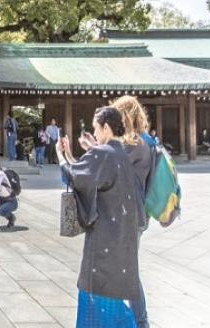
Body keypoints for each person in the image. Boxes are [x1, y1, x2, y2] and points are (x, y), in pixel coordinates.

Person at [57, 107, 143, 327]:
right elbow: (91, 173)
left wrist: (60, 155)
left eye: (96, 128)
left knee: (97, 303)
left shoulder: (103, 154)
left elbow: (76, 176)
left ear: (106, 127)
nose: (94, 134)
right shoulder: (121, 153)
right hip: (121, 240)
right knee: (114, 304)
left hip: (103, 243)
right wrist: (82, 152)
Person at [111, 95, 155, 328]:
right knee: (125, 267)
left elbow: (111, 167)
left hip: (129, 213)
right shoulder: (147, 140)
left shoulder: (134, 144)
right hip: (137, 212)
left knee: (127, 269)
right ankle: (134, 319)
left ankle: (140, 321)